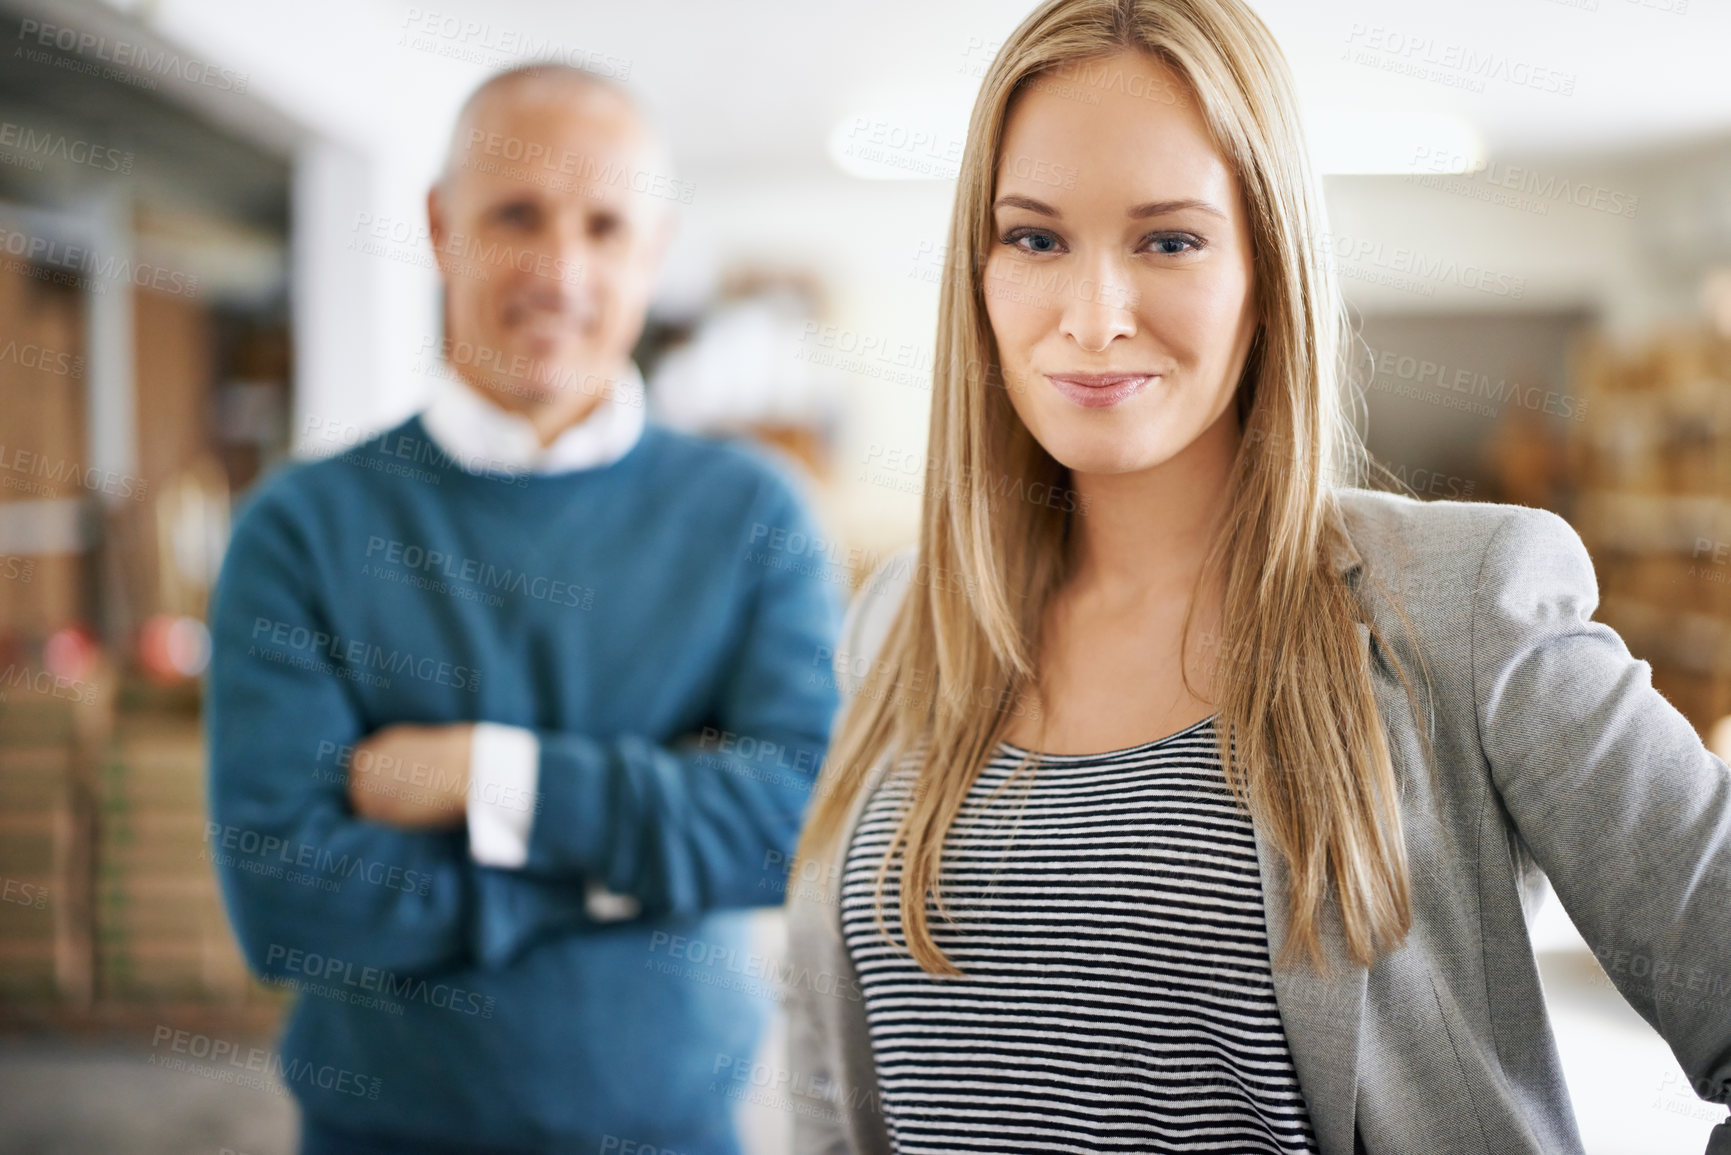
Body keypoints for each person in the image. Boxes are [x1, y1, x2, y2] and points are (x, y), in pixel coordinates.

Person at [781, 1, 1731, 1153]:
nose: (1092, 318)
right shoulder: (901, 622)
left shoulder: (1461, 606)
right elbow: (834, 1077)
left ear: (1268, 263)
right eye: (1035, 238)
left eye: (1168, 240)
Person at [206, 63, 841, 1154]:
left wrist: (481, 775)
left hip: (675, 1128)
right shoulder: (300, 528)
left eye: (604, 226)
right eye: (516, 216)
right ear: (441, 226)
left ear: (654, 252)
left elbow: (795, 834)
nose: (561, 269)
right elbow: (287, 906)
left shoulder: (753, 517)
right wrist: (633, 861)